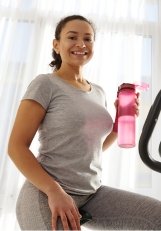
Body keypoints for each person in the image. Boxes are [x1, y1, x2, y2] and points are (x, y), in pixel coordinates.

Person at [8, 14, 161, 231]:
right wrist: (54, 191)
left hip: (92, 193)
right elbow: (16, 147)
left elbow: (93, 147)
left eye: (88, 39)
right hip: (46, 193)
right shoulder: (46, 84)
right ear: (56, 44)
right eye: (72, 37)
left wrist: (120, 122)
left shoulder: (98, 92)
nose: (81, 44)